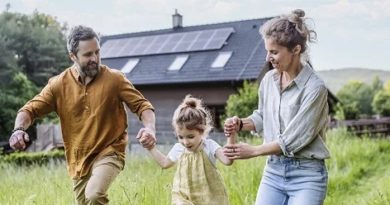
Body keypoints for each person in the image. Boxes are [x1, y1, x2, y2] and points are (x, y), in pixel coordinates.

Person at [8, 25, 157, 205]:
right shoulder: (58, 85)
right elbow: (29, 110)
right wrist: (18, 130)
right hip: (79, 160)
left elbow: (142, 105)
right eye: (88, 55)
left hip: (110, 151)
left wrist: (150, 128)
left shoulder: (115, 79)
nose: (95, 58)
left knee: (94, 194)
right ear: (73, 56)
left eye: (97, 52)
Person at [223, 9, 330, 205]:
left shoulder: (315, 88)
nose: (267, 58)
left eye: (274, 52)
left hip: (307, 175)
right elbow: (263, 117)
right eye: (267, 51)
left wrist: (254, 151)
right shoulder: (269, 80)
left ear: (296, 50)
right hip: (273, 171)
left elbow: (294, 138)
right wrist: (240, 124)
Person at [142, 95, 234, 205]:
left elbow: (228, 161)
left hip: (209, 197)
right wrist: (151, 148)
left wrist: (231, 135)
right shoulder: (179, 148)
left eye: (190, 137)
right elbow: (165, 163)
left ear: (202, 131)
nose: (185, 142)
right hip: (183, 196)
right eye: (181, 137)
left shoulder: (209, 146)